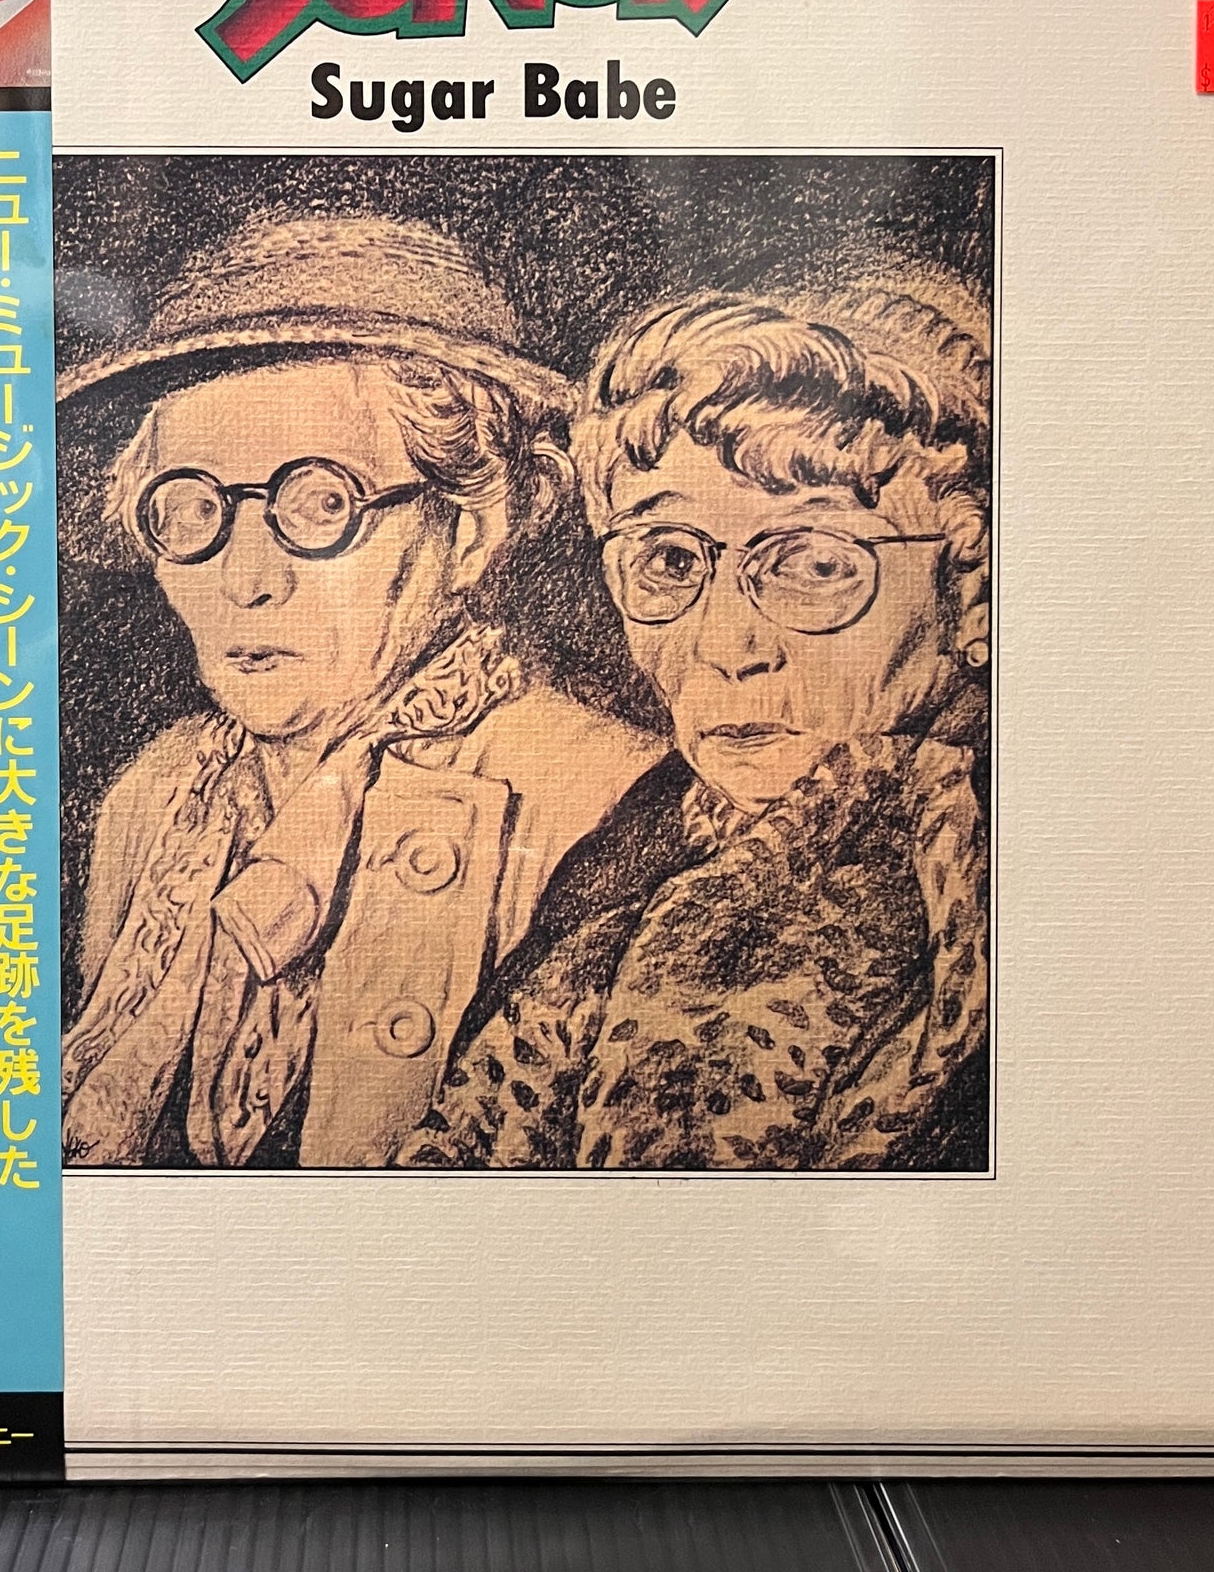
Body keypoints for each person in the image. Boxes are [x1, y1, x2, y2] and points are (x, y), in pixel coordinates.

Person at [59, 215, 661, 1168]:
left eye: (321, 504)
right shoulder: (152, 799)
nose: (246, 578)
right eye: (194, 509)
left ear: (475, 527)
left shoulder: (605, 798)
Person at [397, 282, 990, 1170]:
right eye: (671, 560)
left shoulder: (993, 896)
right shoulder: (609, 880)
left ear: (972, 589)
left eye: (815, 565)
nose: (727, 646)